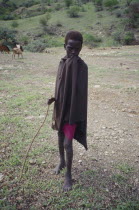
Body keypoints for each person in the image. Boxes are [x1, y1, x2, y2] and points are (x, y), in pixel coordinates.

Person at [48, 31, 88, 191]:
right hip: (60, 108)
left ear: (81, 48)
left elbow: (81, 94)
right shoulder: (62, 62)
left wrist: (74, 113)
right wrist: (55, 98)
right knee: (59, 136)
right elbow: (61, 86)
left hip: (72, 113)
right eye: (70, 48)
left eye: (77, 49)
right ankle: (62, 162)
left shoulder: (82, 67)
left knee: (67, 143)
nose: (73, 52)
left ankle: (68, 175)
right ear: (65, 46)